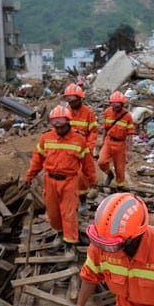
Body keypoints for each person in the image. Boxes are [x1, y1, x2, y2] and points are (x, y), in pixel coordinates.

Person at [24, 105, 96, 249]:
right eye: (57, 126)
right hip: (50, 180)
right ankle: (59, 233)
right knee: (53, 212)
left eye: (62, 126)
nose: (60, 129)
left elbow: (87, 163)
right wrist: (29, 177)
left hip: (69, 181)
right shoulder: (46, 138)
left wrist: (92, 180)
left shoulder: (79, 140)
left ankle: (69, 243)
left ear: (68, 122)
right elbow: (37, 160)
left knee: (68, 212)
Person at [64, 83, 99, 213]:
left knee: (81, 176)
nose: (71, 103)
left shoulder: (88, 113)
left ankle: (83, 201)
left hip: (83, 151)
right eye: (69, 100)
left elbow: (93, 132)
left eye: (73, 100)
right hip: (67, 150)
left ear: (80, 99)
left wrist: (89, 147)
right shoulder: (65, 112)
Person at [99, 91, 134, 189]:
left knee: (119, 168)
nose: (116, 106)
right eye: (114, 103)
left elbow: (130, 134)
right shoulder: (107, 112)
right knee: (101, 162)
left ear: (122, 104)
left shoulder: (127, 116)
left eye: (118, 104)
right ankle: (109, 174)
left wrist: (129, 150)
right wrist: (102, 141)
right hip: (108, 141)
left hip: (120, 144)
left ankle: (119, 187)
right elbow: (106, 128)